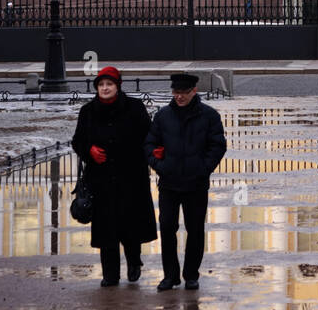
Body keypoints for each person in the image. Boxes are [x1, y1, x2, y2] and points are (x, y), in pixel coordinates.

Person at [71, 66, 156, 286]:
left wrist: (151, 155)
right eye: (101, 85)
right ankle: (110, 274)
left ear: (117, 86)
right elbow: (78, 140)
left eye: (109, 84)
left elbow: (148, 136)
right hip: (101, 178)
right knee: (106, 227)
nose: (105, 88)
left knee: (130, 224)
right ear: (97, 88)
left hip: (131, 176)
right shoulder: (88, 111)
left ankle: (134, 262)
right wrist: (89, 149)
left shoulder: (135, 108)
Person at [145, 72, 227, 291]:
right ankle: (170, 276)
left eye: (183, 92)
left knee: (195, 229)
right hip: (169, 183)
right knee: (167, 227)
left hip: (195, 183)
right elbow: (149, 143)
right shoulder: (163, 116)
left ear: (194, 92)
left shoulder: (209, 116)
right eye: (175, 92)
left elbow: (218, 145)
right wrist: (158, 164)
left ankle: (191, 274)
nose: (179, 97)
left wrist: (203, 168)